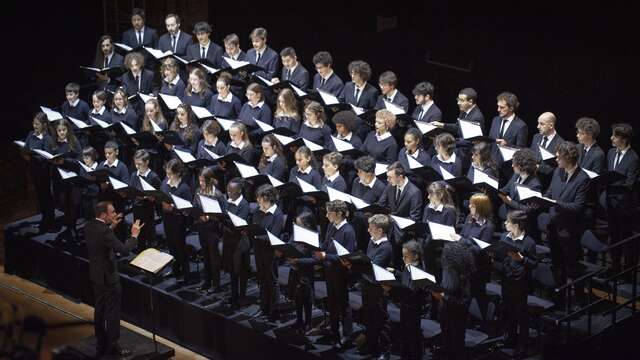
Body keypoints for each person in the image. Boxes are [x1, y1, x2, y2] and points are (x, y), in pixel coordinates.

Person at [85, 201, 142, 358]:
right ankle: (113, 346)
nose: (115, 214)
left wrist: (111, 227)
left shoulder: (89, 226)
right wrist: (134, 235)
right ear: (103, 215)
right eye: (112, 212)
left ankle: (101, 342)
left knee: (100, 310)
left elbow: (100, 238)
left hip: (96, 275)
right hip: (109, 279)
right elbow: (123, 250)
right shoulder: (105, 232)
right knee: (112, 313)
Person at [544, 141, 590, 305]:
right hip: (553, 226)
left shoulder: (583, 178)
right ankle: (560, 298)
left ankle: (580, 301)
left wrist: (555, 203)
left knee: (572, 267)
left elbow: (578, 206)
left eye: (558, 157)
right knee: (556, 266)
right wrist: (542, 200)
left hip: (569, 231)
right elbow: (550, 192)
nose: (556, 159)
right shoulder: (558, 171)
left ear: (568, 158)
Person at [352, 214, 393, 358]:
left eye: (371, 228)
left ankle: (384, 350)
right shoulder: (372, 241)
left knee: (380, 321)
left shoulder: (386, 248)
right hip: (367, 286)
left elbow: (373, 268)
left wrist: (360, 265)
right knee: (369, 318)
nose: (368, 231)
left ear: (380, 230)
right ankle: (370, 345)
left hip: (377, 290)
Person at [315, 200, 356, 344]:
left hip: (340, 273)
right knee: (332, 302)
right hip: (329, 270)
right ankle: (333, 332)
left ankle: (347, 335)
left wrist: (326, 256)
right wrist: (317, 247)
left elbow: (346, 257)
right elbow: (326, 244)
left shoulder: (348, 231)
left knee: (343, 304)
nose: (326, 216)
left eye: (329, 213)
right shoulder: (332, 225)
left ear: (339, 214)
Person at [498, 210, 538, 357]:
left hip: (520, 284)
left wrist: (521, 259)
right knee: (509, 311)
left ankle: (523, 344)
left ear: (515, 225)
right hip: (506, 280)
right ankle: (511, 338)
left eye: (508, 222)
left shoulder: (529, 242)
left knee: (521, 314)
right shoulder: (504, 237)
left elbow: (534, 264)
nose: (505, 223)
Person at [454, 193, 495, 321]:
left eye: (472, 205)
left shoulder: (488, 226)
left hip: (479, 268)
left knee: (478, 296)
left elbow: (479, 249)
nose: (469, 206)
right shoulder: (468, 218)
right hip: (465, 262)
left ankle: (487, 323)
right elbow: (463, 235)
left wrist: (462, 240)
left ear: (481, 207)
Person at [384, 240, 427, 360]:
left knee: (412, 337)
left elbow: (410, 291)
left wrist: (391, 290)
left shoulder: (419, 272)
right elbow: (405, 278)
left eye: (406, 257)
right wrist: (396, 272)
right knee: (405, 335)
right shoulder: (410, 266)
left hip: (413, 309)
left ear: (415, 256)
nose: (404, 259)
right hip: (405, 307)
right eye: (403, 256)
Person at [606, 123, 639, 276]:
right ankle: (614, 268)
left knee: (624, 239)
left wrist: (612, 181)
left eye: (615, 136)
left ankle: (627, 272)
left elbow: (630, 183)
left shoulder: (633, 158)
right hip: (610, 203)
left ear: (624, 139)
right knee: (613, 238)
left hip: (624, 207)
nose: (612, 138)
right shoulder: (611, 153)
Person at [378, 161, 422, 267]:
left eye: (390, 177)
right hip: (390, 228)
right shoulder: (390, 186)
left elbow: (414, 218)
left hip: (403, 233)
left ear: (400, 176)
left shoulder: (415, 192)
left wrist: (394, 220)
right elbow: (381, 204)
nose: (387, 180)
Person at [251, 184, 285, 321]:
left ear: (268, 198)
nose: (258, 201)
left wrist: (257, 235)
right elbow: (255, 225)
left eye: (260, 198)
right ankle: (263, 307)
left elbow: (274, 235)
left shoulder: (277, 214)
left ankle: (273, 311)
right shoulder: (258, 211)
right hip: (259, 249)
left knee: (272, 281)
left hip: (270, 252)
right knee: (262, 279)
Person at [437, 241, 475, 360]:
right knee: (447, 341)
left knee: (457, 344)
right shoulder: (448, 270)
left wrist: (442, 296)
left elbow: (461, 300)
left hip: (456, 313)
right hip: (447, 310)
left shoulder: (460, 274)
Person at [47, 119, 81, 239]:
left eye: (64, 130)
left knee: (73, 204)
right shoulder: (53, 143)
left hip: (71, 179)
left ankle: (73, 228)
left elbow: (79, 161)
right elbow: (48, 157)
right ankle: (68, 227)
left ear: (68, 130)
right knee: (63, 204)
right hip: (58, 179)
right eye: (59, 130)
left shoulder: (73, 142)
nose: (62, 132)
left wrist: (64, 161)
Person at [161, 159, 193, 281]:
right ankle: (175, 270)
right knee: (171, 246)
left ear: (178, 173)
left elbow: (188, 210)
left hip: (179, 222)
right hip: (167, 219)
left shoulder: (185, 189)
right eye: (167, 173)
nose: (167, 176)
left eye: (170, 174)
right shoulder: (165, 183)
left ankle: (186, 273)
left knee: (180, 247)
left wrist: (173, 208)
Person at [498, 148, 542, 236]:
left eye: (514, 163)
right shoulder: (516, 175)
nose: (512, 165)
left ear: (522, 166)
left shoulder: (534, 185)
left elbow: (528, 210)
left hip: (523, 226)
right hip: (511, 219)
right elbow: (505, 190)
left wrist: (510, 202)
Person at [195, 167, 225, 293]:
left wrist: (210, 217)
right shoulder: (198, 191)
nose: (201, 184)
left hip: (213, 230)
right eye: (200, 181)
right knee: (205, 256)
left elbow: (223, 214)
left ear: (210, 181)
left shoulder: (217, 195)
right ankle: (207, 281)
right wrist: (199, 216)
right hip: (202, 228)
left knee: (214, 258)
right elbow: (195, 208)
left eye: (203, 181)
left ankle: (216, 284)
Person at [23, 112, 55, 232]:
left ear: (44, 125)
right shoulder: (30, 135)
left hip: (43, 171)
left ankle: (50, 222)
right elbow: (25, 148)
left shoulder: (47, 138)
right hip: (33, 170)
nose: (35, 126)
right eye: (34, 123)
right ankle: (44, 220)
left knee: (46, 196)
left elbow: (47, 156)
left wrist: (34, 156)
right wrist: (26, 153)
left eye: (37, 124)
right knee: (40, 197)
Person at [222, 178, 251, 307]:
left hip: (240, 244)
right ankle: (234, 295)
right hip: (229, 241)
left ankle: (243, 297)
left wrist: (226, 221)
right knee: (232, 271)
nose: (228, 193)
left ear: (239, 191)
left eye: (231, 191)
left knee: (242, 271)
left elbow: (237, 226)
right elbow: (224, 218)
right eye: (228, 190)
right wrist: (227, 221)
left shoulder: (244, 205)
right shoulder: (227, 201)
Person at [128, 149, 161, 250]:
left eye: (140, 164)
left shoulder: (153, 177)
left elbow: (160, 196)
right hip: (136, 208)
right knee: (139, 232)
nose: (137, 166)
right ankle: (140, 248)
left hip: (148, 209)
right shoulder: (134, 175)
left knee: (149, 232)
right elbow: (131, 190)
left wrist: (153, 198)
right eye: (136, 163)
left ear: (147, 162)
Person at [531, 112, 564, 188]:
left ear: (551, 125)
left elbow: (558, 169)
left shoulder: (561, 143)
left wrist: (538, 167)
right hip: (532, 181)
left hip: (547, 184)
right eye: (538, 123)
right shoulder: (536, 137)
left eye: (541, 124)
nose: (538, 126)